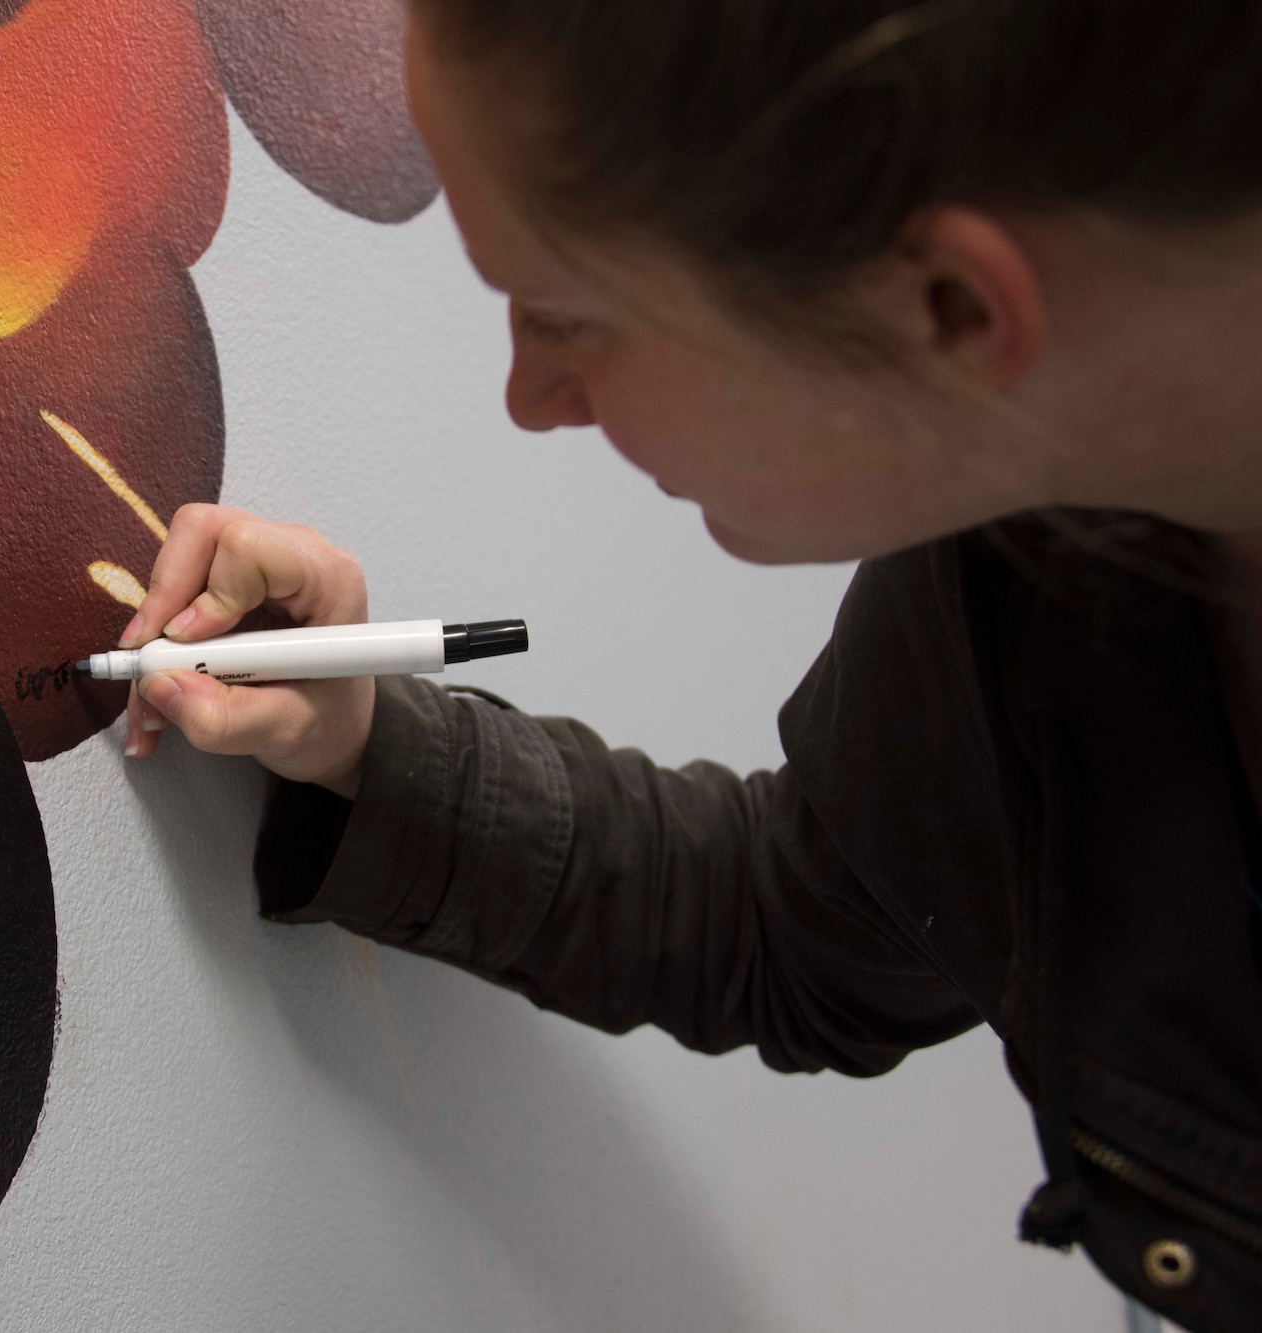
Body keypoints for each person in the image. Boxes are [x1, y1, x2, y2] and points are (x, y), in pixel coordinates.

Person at [113, 1, 1262, 1327]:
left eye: (562, 313)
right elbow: (794, 919)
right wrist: (361, 735)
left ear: (949, 309)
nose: (528, 396)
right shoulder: (1028, 574)